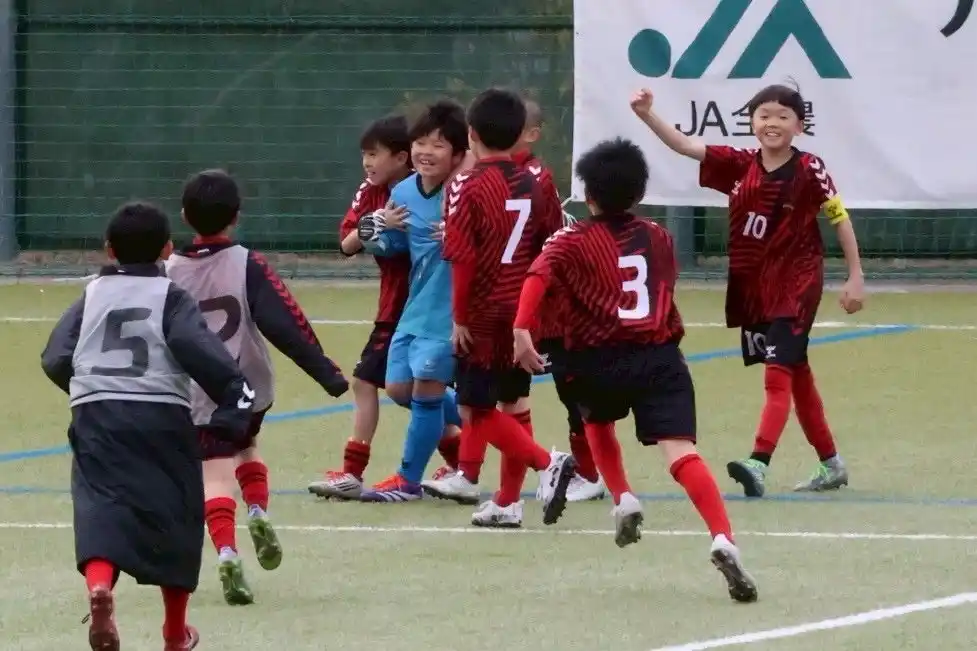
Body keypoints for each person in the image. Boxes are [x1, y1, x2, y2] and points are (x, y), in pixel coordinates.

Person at [512, 137, 758, 603]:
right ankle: (722, 536)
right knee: (681, 452)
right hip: (657, 356)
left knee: (596, 420)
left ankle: (623, 496)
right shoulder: (660, 237)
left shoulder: (569, 240)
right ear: (640, 193)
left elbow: (538, 277)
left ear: (588, 195)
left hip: (596, 358)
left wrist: (522, 328)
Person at [629, 85, 865, 498]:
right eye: (764, 115)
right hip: (756, 288)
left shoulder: (809, 168)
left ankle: (758, 461)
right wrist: (647, 113)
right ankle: (831, 463)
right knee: (797, 373)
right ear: (752, 122)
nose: (772, 123)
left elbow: (838, 217)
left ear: (800, 125)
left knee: (777, 374)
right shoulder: (739, 164)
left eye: (783, 116)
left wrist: (855, 274)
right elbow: (685, 145)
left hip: (797, 284)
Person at [41, 201, 256, 650]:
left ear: (108, 249)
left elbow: (55, 357)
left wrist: (88, 388)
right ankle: (175, 634)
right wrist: (232, 405)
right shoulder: (170, 296)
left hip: (98, 413)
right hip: (161, 415)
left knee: (100, 505)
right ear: (167, 249)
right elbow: (200, 351)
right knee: (176, 515)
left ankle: (100, 587)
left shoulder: (92, 294)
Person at [166, 169, 350, 605]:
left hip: (195, 392)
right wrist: (326, 372)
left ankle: (227, 552)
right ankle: (257, 511)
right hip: (246, 386)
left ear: (184, 215)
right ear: (236, 216)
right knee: (246, 446)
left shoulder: (167, 270)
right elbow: (285, 322)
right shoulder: (246, 262)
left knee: (213, 471)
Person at [441, 87, 576, 528]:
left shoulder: (465, 184)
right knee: (513, 401)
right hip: (523, 308)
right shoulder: (536, 180)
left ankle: (547, 462)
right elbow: (552, 244)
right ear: (520, 133)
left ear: (471, 134)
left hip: (485, 310)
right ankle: (507, 501)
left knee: (476, 408)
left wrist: (460, 317)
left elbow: (462, 258)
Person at [356, 99, 468, 502]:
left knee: (425, 392)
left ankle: (407, 481)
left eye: (438, 145)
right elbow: (393, 247)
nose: (426, 152)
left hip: (451, 311)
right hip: (415, 308)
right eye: (421, 142)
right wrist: (376, 230)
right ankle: (480, 418)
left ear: (458, 154)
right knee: (398, 387)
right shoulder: (403, 191)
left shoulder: (466, 192)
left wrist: (461, 235)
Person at [308, 115, 416, 500]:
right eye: (364, 155)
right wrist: (375, 222)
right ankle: (458, 463)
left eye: (375, 154)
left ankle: (353, 473)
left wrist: (394, 227)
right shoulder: (369, 191)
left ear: (401, 157)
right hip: (393, 304)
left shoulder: (421, 191)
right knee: (414, 390)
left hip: (415, 304)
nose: (367, 162)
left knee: (370, 382)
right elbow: (346, 244)